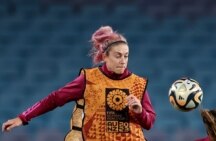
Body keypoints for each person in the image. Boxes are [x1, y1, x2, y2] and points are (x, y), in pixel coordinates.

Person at [2, 26, 156, 141]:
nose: (123, 60)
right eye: (118, 56)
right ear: (105, 57)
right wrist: (23, 117)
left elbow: (149, 123)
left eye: (126, 56)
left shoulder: (138, 83)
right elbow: (55, 98)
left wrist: (139, 111)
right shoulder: (89, 79)